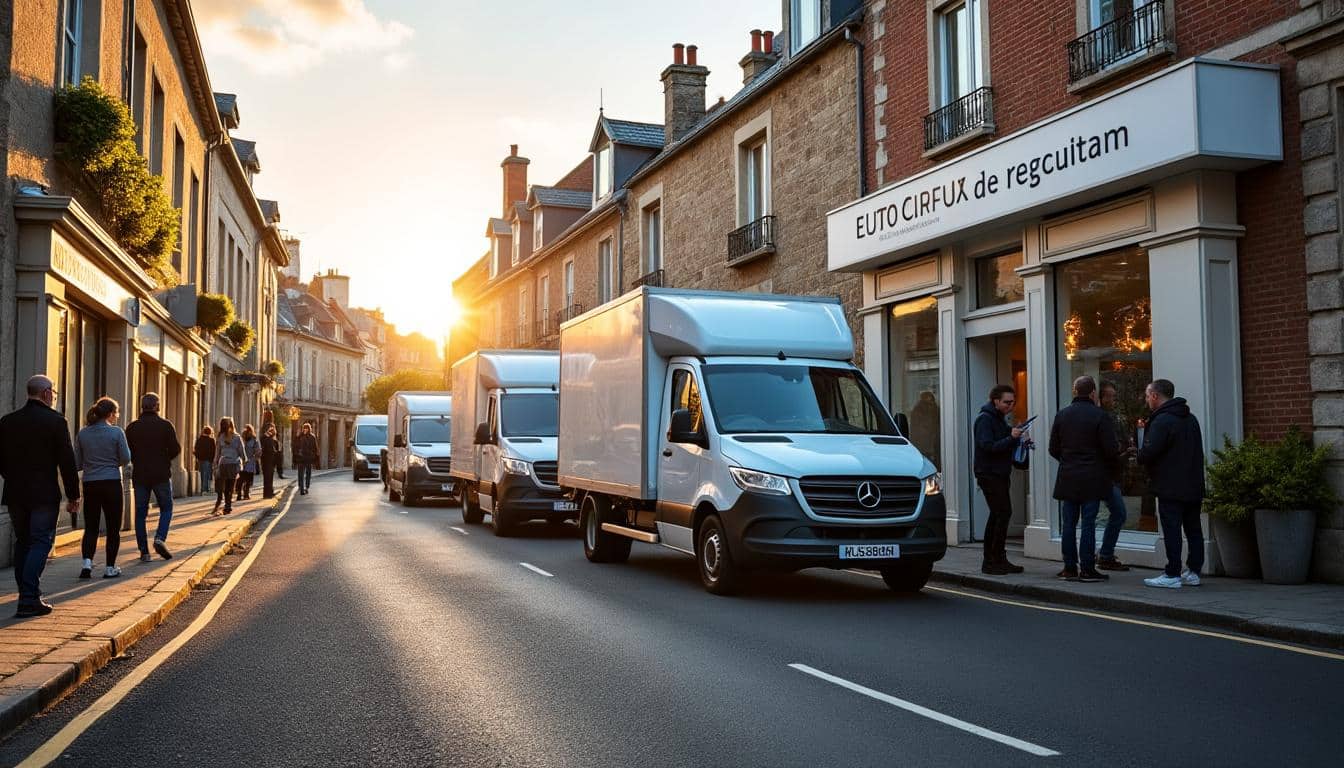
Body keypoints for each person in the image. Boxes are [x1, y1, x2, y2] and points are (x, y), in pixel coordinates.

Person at [0, 375, 81, 617]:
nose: (54, 396)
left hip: (15, 493)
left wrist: (12, 477)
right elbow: (67, 461)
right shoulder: (55, 421)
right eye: (53, 392)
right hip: (44, 494)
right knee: (41, 542)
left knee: (23, 542)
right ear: (46, 393)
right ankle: (28, 598)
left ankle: (28, 594)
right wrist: (74, 495)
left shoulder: (8, 421)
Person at [1049, 375, 1119, 583]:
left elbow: (1053, 448)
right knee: (1088, 523)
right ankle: (1087, 568)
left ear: (1075, 391)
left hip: (1068, 476)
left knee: (1069, 524)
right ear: (1093, 393)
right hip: (1092, 477)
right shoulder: (1100, 416)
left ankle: (1069, 567)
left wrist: (1068, 460)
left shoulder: (1062, 415)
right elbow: (1111, 449)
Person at [1137, 379, 1206, 589]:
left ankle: (1172, 573)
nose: (1147, 400)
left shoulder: (1162, 421)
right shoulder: (1190, 419)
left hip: (1169, 484)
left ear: (1155, 396)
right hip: (1193, 483)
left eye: (1148, 396)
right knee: (1194, 529)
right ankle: (1194, 571)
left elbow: (1149, 452)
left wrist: (1139, 452)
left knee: (1172, 529)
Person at [74, 397, 131, 579]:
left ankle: (87, 564)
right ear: (110, 414)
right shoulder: (117, 432)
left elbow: (77, 463)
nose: (117, 416)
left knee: (91, 526)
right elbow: (126, 458)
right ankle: (110, 567)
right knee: (113, 528)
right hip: (112, 482)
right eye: (117, 413)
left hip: (90, 483)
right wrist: (112, 462)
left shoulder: (83, 433)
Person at [973, 385, 1027, 575]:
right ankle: (991, 561)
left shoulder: (998, 419)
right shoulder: (985, 419)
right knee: (1001, 513)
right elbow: (988, 446)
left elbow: (1004, 440)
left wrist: (1018, 436)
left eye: (1012, 402)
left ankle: (998, 559)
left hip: (999, 473)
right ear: (995, 401)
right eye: (1006, 402)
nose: (1010, 406)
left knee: (999, 514)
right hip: (989, 474)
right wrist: (1012, 437)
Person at [125, 392, 180, 562]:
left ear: (142, 406)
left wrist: (138, 459)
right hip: (161, 473)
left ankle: (144, 552)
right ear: (157, 406)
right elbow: (175, 449)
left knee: (140, 513)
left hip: (140, 474)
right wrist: (164, 458)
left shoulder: (132, 427)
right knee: (166, 508)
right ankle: (159, 538)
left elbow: (127, 452)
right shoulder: (165, 425)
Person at [1096, 382, 1133, 571]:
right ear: (1100, 398)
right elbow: (1109, 452)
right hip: (1105, 476)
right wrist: (1124, 453)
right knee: (1118, 513)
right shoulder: (1102, 419)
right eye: (1109, 396)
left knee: (1113, 514)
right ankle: (1105, 555)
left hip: (1113, 474)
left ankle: (1104, 554)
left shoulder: (1114, 418)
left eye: (1114, 396)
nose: (1113, 400)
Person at [213, 418, 246, 515]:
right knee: (230, 486)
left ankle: (226, 504)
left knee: (225, 486)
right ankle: (228, 506)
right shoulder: (237, 437)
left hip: (223, 464)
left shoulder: (221, 437)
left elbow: (217, 452)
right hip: (233, 465)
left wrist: (215, 463)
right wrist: (244, 460)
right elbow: (242, 451)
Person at [235, 424, 260, 501]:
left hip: (243, 462)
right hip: (249, 462)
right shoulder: (253, 440)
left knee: (241, 479)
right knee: (248, 479)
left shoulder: (242, 439)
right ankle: (245, 494)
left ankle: (240, 494)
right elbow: (258, 451)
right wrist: (255, 457)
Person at [294, 422, 319, 495]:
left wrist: (314, 457)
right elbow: (295, 445)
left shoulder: (312, 437)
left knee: (308, 473)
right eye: (304, 428)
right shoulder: (300, 436)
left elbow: (315, 448)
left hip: (308, 458)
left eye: (307, 428)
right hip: (301, 458)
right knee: (300, 474)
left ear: (309, 429)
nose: (305, 429)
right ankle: (301, 487)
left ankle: (307, 486)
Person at [193, 425, 216, 496]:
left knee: (203, 474)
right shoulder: (211, 440)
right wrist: (213, 459)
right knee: (207, 474)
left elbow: (196, 449)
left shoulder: (199, 439)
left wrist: (197, 457)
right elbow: (214, 451)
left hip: (201, 459)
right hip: (208, 459)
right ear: (210, 432)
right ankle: (205, 489)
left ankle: (204, 489)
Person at [260, 425, 281, 499]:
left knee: (268, 478)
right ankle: (268, 494)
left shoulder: (271, 440)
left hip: (267, 462)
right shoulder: (268, 440)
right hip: (268, 461)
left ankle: (268, 493)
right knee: (268, 478)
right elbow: (274, 452)